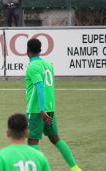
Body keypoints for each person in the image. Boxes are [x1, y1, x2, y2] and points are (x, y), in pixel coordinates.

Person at [25, 38, 82, 171]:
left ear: (27, 51)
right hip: (50, 108)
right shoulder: (48, 65)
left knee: (32, 141)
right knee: (55, 138)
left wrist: (41, 109)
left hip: (37, 111)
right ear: (40, 50)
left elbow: (39, 86)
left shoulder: (32, 67)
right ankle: (75, 168)